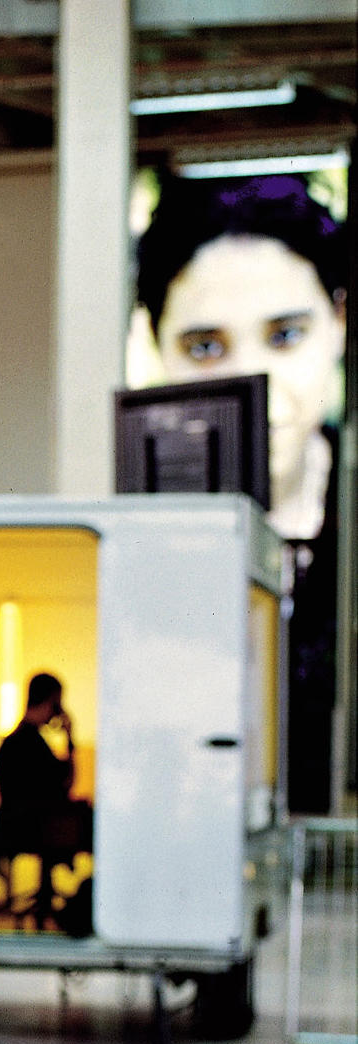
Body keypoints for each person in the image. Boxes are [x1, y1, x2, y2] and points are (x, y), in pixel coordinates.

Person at [134, 172, 348, 810]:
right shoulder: (143, 536)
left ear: (340, 322)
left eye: (286, 336)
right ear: (156, 345)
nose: (254, 381)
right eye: (205, 347)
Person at [0, 673, 91, 927]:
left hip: (16, 828)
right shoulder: (30, 743)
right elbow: (66, 784)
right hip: (38, 828)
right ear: (51, 702)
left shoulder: (15, 740)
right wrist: (70, 739)